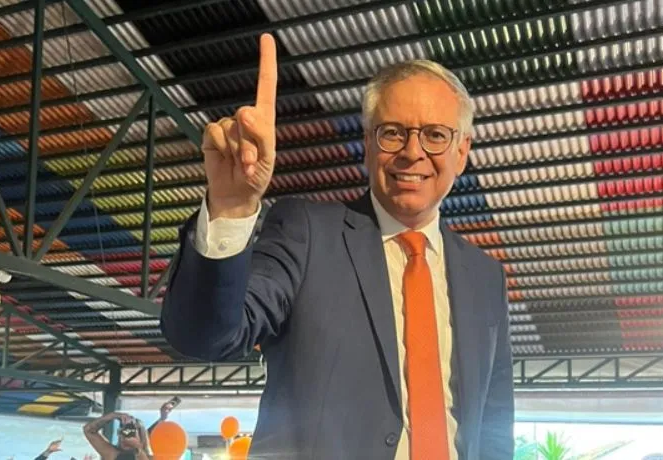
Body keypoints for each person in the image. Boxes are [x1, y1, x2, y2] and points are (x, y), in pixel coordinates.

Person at [161, 33, 513, 459]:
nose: (412, 152)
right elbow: (206, 336)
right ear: (367, 144)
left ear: (461, 151)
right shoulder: (307, 233)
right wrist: (232, 207)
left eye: (435, 135)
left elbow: (494, 423)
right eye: (392, 133)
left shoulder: (485, 277)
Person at [82, 412, 150, 460]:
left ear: (140, 436)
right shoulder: (114, 455)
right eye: (124, 432)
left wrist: (138, 448)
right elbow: (89, 430)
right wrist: (113, 416)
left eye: (131, 433)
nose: (126, 437)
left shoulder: (152, 456)